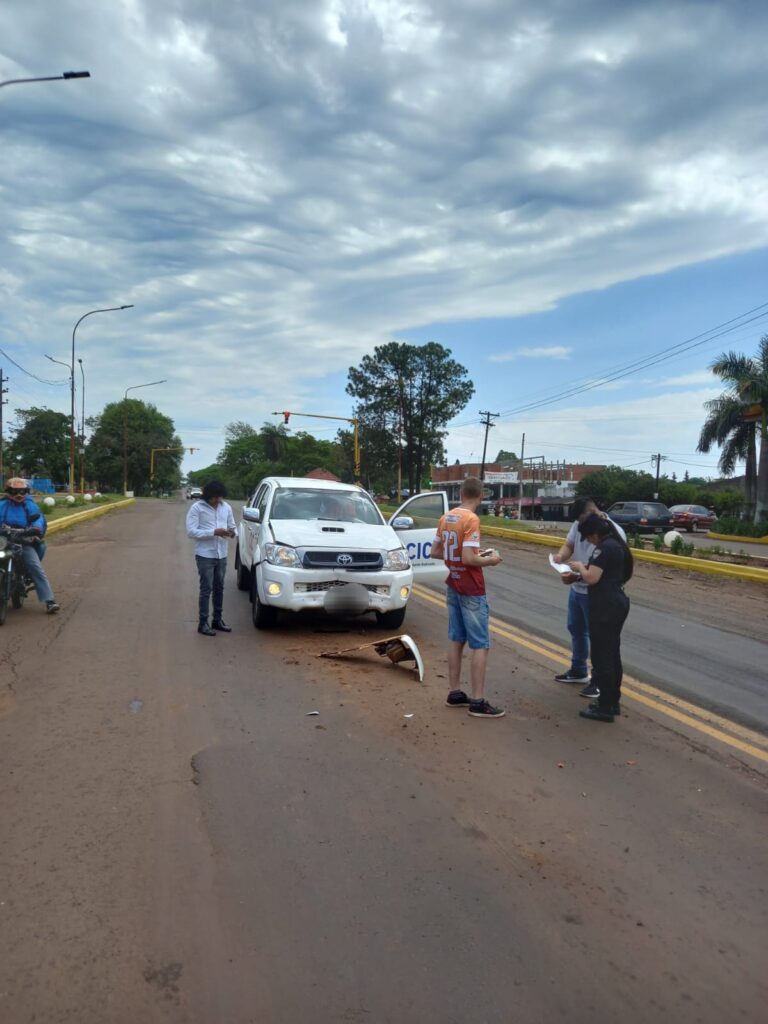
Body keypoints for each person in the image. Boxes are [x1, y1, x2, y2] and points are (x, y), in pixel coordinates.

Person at [431, 477, 505, 718]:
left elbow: (436, 551)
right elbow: (470, 560)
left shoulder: (447, 517)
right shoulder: (471, 520)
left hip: (453, 582)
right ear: (481, 496)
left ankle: (455, 692)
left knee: (456, 638)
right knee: (481, 644)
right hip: (472, 587)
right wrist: (490, 560)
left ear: (461, 493)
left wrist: (465, 556)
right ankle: (477, 701)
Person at [551, 497, 625, 699]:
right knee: (576, 630)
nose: (581, 526)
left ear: (593, 511)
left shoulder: (614, 534)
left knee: (599, 640)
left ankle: (599, 682)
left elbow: (601, 572)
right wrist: (560, 558)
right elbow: (569, 545)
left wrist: (579, 572)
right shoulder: (579, 524)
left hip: (598, 594)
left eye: (582, 520)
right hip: (578, 590)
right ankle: (579, 670)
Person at [568, 514, 633, 723]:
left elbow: (592, 577)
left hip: (606, 606)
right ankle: (612, 702)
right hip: (615, 601)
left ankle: (605, 707)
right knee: (612, 654)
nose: (588, 541)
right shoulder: (616, 545)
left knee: (602, 656)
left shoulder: (605, 548)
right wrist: (578, 575)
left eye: (588, 537)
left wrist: (579, 568)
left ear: (595, 533)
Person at [0, 477, 59, 613]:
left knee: (35, 567)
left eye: (22, 491)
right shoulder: (2, 505)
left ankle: (49, 601)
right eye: (15, 491)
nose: (19, 495)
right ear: (8, 491)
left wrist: (35, 528)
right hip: (3, 541)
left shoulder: (30, 504)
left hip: (23, 541)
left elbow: (38, 519)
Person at [186, 480, 236, 636]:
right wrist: (213, 532)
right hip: (205, 555)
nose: (218, 500)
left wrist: (232, 532)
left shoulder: (226, 507)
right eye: (215, 497)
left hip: (222, 554)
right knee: (206, 589)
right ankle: (203, 623)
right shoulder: (197, 508)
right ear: (208, 496)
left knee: (219, 588)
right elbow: (191, 532)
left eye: (220, 497)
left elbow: (232, 526)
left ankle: (217, 620)